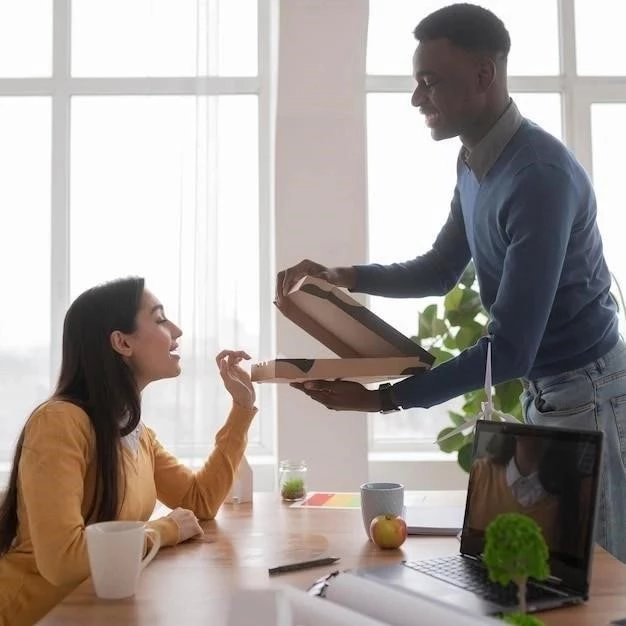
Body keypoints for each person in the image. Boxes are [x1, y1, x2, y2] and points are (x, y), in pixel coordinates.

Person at [276, 3, 626, 563]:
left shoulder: (538, 178)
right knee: (555, 576)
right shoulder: (473, 161)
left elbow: (508, 351)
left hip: (592, 394)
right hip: (553, 394)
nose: (417, 99)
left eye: (430, 82)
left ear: (484, 75)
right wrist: (341, 277)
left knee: (605, 584)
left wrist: (382, 402)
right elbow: (441, 269)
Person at [0, 277, 257, 626]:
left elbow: (198, 502)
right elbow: (62, 561)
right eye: (160, 318)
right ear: (122, 342)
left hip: (100, 610)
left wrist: (241, 409)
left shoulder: (135, 433)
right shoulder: (59, 423)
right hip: (36, 615)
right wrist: (163, 530)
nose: (177, 330)